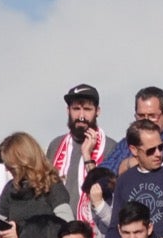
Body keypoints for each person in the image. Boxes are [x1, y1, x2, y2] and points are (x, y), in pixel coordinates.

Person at [46, 83, 116, 211]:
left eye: (87, 109)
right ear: (68, 110)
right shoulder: (55, 145)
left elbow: (108, 192)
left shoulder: (111, 147)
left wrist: (87, 156)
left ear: (97, 111)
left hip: (95, 226)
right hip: (60, 225)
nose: (81, 116)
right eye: (76, 109)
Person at [98, 86, 163, 175]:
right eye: (141, 116)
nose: (146, 121)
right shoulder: (125, 143)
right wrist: (129, 164)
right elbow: (102, 173)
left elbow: (153, 164)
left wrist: (125, 165)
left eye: (152, 116)